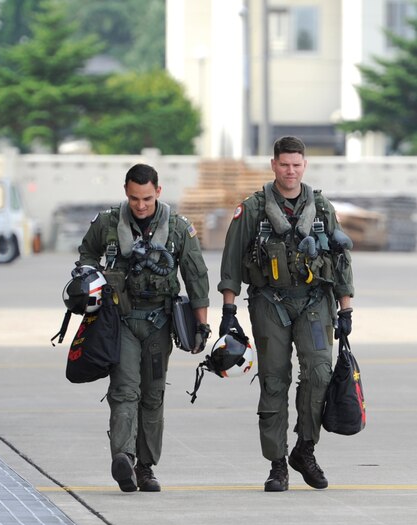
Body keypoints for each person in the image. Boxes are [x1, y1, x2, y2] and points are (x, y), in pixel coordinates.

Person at [217, 136, 354, 492]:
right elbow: (231, 262)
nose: (290, 171)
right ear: (273, 165)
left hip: (314, 304)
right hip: (270, 303)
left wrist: (346, 309)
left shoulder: (322, 208)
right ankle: (277, 464)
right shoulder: (253, 208)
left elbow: (341, 260)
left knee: (320, 372)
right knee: (273, 380)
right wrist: (229, 310)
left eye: (296, 164)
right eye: (284, 164)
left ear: (304, 165)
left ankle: (304, 448)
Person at [76, 163, 210, 493]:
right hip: (119, 322)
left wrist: (202, 327)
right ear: (126, 191)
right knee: (124, 391)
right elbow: (86, 254)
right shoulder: (107, 224)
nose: (140, 205)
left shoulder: (178, 229)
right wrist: (88, 280)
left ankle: (146, 467)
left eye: (147, 199)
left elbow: (197, 279)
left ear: (158, 192)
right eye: (135, 198)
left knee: (153, 395)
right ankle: (123, 456)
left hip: (160, 324)